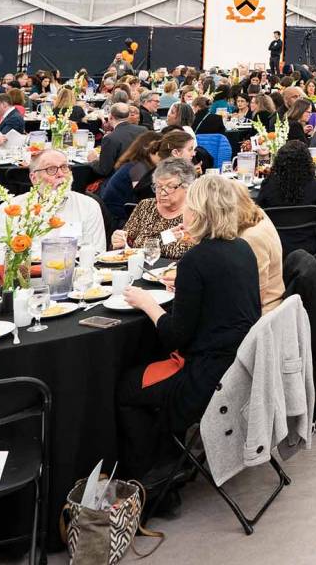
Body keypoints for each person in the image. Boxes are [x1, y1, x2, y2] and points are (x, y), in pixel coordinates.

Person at [117, 171, 261, 493]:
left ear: (196, 212)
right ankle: (168, 461)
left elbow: (175, 336)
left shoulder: (196, 259)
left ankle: (156, 474)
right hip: (243, 368)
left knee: (127, 388)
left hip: (207, 378)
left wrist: (147, 304)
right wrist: (183, 286)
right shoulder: (241, 248)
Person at [0, 149, 106, 263]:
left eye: (64, 167)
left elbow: (97, 253)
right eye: (51, 169)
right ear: (34, 178)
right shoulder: (11, 209)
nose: (61, 174)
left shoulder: (88, 206)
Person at [114, 159, 198, 258]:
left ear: (187, 187)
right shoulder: (146, 206)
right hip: (143, 268)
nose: (162, 193)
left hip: (177, 271)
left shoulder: (196, 213)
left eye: (170, 186)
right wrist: (119, 240)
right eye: (158, 186)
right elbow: (127, 242)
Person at [226, 179, 285, 313]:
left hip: (264, 311)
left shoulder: (251, 237)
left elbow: (256, 294)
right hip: (268, 300)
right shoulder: (258, 214)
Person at [99, 131, 168, 231]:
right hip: (117, 219)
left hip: (117, 214)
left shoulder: (136, 165)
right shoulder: (138, 169)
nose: (164, 157)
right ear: (150, 150)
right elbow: (144, 197)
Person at [255, 139, 316, 216]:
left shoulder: (268, 184)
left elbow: (259, 211)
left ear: (279, 162)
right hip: (308, 227)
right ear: (307, 162)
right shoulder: (315, 185)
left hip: (276, 226)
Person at [92, 102, 148, 179]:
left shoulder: (110, 138)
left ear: (110, 117)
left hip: (118, 181)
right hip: (141, 178)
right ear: (128, 116)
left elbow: (104, 170)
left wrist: (93, 161)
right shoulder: (143, 130)